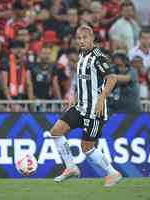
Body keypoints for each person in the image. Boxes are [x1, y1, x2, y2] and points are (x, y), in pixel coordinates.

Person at [47, 25, 122, 188]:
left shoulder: (98, 57)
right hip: (80, 107)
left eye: (85, 38)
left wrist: (102, 97)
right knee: (55, 132)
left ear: (92, 38)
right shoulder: (82, 55)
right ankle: (71, 167)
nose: (81, 41)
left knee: (87, 148)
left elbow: (112, 78)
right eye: (79, 38)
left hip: (95, 110)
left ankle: (113, 173)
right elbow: (82, 80)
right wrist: (74, 97)